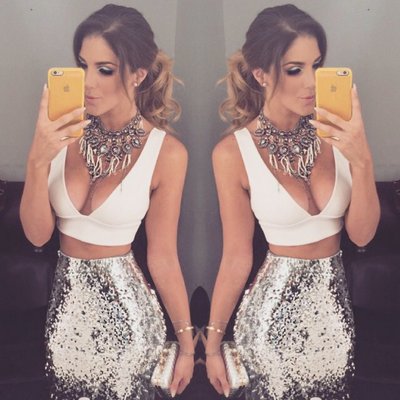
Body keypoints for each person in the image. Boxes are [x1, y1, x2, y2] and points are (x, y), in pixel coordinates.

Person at [206, 4, 380, 400]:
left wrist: (362, 159)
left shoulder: (341, 133)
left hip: (333, 320)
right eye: (294, 69)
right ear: (261, 74)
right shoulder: (232, 153)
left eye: (316, 66)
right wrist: (211, 347)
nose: (311, 82)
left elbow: (362, 235)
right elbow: (236, 258)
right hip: (268, 323)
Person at [20, 4, 194, 399]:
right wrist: (37, 158)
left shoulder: (167, 154)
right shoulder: (58, 134)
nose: (88, 83)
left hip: (131, 323)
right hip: (66, 321)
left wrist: (187, 348)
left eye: (105, 69)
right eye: (83, 66)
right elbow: (37, 235)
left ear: (137, 74)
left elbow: (163, 257)